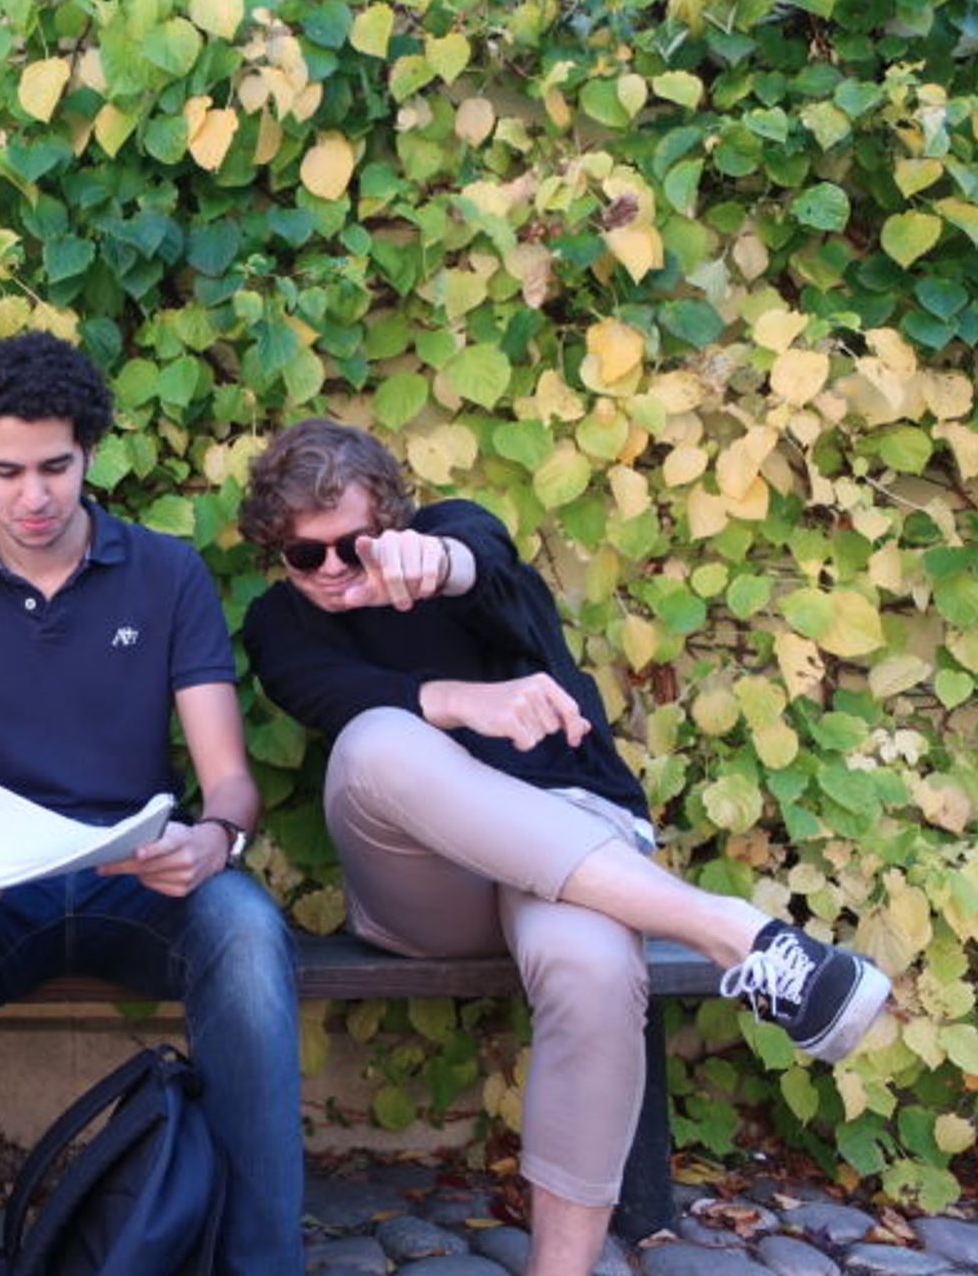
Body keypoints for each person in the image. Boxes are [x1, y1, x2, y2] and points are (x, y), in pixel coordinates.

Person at [237, 418, 892, 1276]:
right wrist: (469, 704)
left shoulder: (456, 539)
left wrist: (430, 566)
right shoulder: (277, 627)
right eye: (305, 555)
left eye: (354, 547)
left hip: (576, 838)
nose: (332, 570)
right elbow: (345, 704)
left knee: (591, 967)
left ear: (394, 522)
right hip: (431, 881)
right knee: (373, 742)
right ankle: (731, 931)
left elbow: (478, 561)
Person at [0, 331, 305, 1276]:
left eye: (56, 466)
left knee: (250, 937)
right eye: (7, 470)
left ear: (90, 451)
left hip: (139, 876)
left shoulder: (167, 572)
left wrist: (215, 839)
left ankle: (260, 1265)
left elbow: (228, 778)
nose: (34, 495)